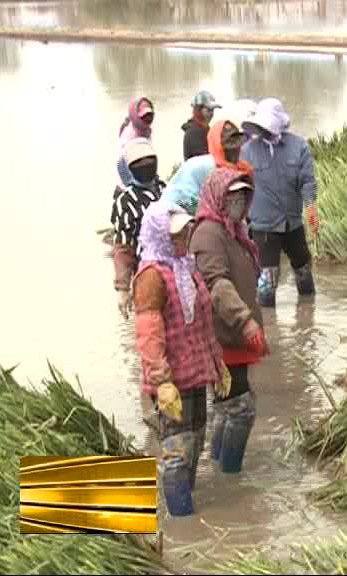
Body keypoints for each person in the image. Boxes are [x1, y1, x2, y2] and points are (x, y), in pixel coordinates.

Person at [134, 201, 224, 516]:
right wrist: (161, 382)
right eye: (176, 234)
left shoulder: (186, 266)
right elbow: (149, 334)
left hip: (196, 372)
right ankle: (181, 519)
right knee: (177, 448)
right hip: (173, 379)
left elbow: (203, 320)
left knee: (197, 437)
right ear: (160, 236)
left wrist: (218, 363)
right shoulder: (151, 276)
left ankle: (187, 509)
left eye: (185, 231)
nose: (183, 238)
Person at [189, 165, 268, 475]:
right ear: (216, 197)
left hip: (233, 334)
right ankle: (232, 476)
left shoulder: (232, 230)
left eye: (243, 195)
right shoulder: (209, 233)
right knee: (241, 408)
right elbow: (217, 285)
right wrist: (245, 321)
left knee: (226, 406)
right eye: (231, 196)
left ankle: (221, 464)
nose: (238, 202)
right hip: (223, 336)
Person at [240, 98, 320, 307]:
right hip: (263, 227)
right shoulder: (247, 151)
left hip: (292, 223)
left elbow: (307, 182)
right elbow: (240, 186)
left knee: (303, 270)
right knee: (267, 280)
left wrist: (311, 208)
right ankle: (268, 323)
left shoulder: (299, 147)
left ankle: (307, 312)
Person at [111, 138, 165, 319]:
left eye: (150, 160)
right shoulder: (125, 202)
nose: (146, 165)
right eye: (139, 163)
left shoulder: (165, 189)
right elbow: (124, 247)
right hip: (149, 275)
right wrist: (123, 289)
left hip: (178, 271)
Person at [117, 96, 155, 186]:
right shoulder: (130, 137)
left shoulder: (145, 130)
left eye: (150, 115)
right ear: (135, 116)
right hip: (130, 187)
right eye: (144, 116)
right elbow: (120, 165)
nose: (148, 118)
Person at [182, 90, 221, 161]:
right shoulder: (194, 132)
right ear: (198, 110)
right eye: (208, 110)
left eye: (213, 110)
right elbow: (206, 159)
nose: (211, 114)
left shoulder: (203, 128)